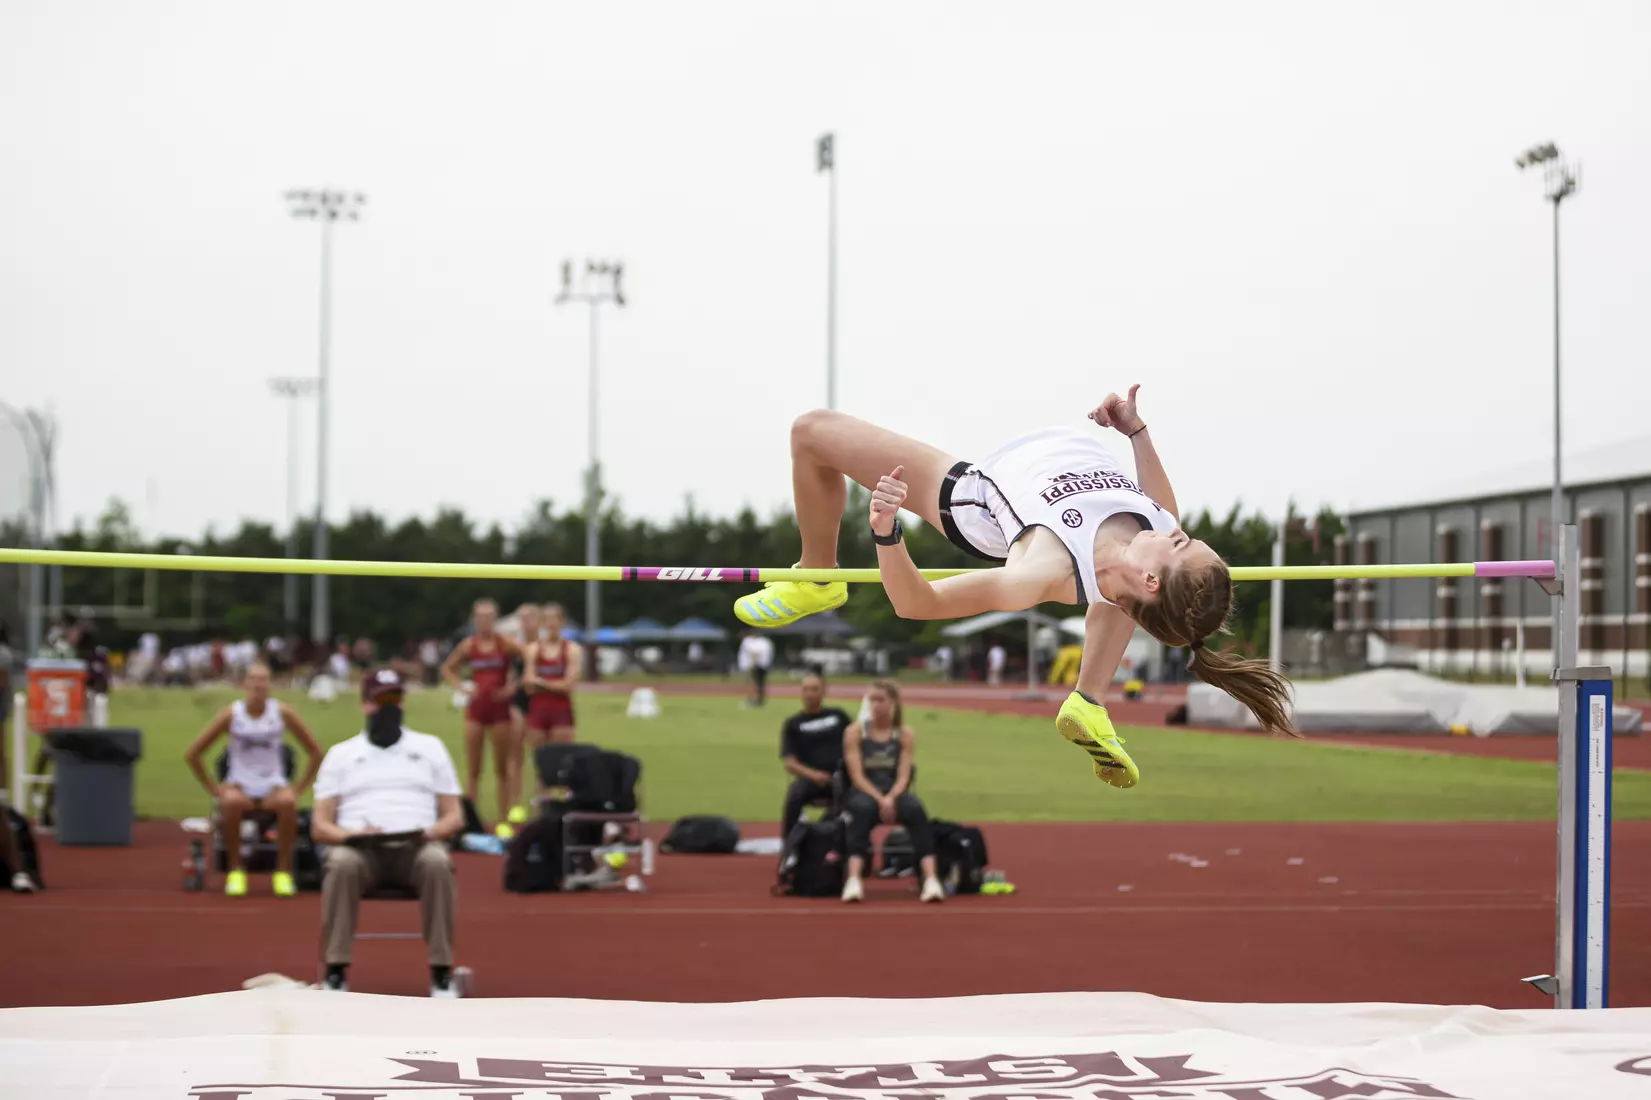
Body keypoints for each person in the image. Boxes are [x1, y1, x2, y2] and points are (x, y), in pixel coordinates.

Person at [731, 390, 1296, 788]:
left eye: (1181, 545)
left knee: (811, 431)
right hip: (1080, 526)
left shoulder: (1040, 571)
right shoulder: (1159, 527)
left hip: (973, 492)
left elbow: (915, 603)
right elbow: (1163, 509)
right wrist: (1137, 433)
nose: (1177, 534)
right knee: (1117, 589)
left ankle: (817, 577)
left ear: (1155, 575)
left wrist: (887, 531)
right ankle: (1089, 702)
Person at [311, 667, 465, 997]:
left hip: (415, 847)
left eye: (395, 699)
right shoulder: (341, 754)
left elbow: (454, 815)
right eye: (382, 700)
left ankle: (441, 971)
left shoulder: (430, 747)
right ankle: (335, 970)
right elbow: (320, 824)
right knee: (340, 863)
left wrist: (430, 831)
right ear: (365, 704)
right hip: (361, 850)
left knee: (438, 862)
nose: (389, 707)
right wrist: (349, 836)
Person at [183, 663, 323, 897]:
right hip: (241, 786)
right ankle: (236, 870)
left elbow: (316, 752)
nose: (259, 685)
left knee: (288, 803)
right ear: (245, 683)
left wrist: (299, 788)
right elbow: (194, 753)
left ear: (270, 684)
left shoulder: (282, 712)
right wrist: (214, 789)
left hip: (272, 787)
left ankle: (283, 871)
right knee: (229, 803)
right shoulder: (232, 714)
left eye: (264, 679)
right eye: (254, 679)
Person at [839, 679, 943, 904]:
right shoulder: (855, 732)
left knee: (916, 810)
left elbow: (904, 775)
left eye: (881, 700)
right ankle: (854, 879)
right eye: (871, 700)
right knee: (862, 810)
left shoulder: (904, 734)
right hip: (864, 791)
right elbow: (856, 776)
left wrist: (891, 797)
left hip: (894, 791)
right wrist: (880, 799)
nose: (875, 705)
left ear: (893, 702)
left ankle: (931, 879)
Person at [440, 598, 522, 827]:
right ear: (474, 619)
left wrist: (512, 687)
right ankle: (473, 821)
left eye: (488, 617)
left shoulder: (505, 643)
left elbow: (529, 661)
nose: (484, 622)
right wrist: (463, 687)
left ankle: (504, 819)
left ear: (495, 619)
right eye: (480, 617)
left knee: (501, 768)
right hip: (476, 709)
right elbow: (448, 668)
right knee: (474, 769)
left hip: (500, 710)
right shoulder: (468, 645)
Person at [778, 669, 853, 841]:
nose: (810, 694)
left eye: (815, 689)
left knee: (857, 801)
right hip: (811, 780)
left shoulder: (838, 716)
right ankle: (790, 847)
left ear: (824, 691)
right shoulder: (794, 724)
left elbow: (855, 745)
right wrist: (814, 775)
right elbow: (790, 762)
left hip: (842, 778)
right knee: (794, 796)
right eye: (806, 689)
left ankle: (846, 846)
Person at [523, 603, 581, 750]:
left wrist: (542, 684)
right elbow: (528, 684)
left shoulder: (571, 650)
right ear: (542, 623)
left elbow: (568, 685)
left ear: (562, 622)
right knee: (540, 763)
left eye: (555, 619)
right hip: (538, 711)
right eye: (548, 620)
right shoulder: (534, 649)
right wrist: (555, 684)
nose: (551, 624)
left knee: (561, 762)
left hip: (561, 712)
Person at [737, 630, 774, 707]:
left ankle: (754, 699)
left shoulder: (758, 642)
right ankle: (758, 699)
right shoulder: (766, 642)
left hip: (758, 665)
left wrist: (753, 664)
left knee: (754, 683)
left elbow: (755, 653)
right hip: (763, 664)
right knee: (760, 683)